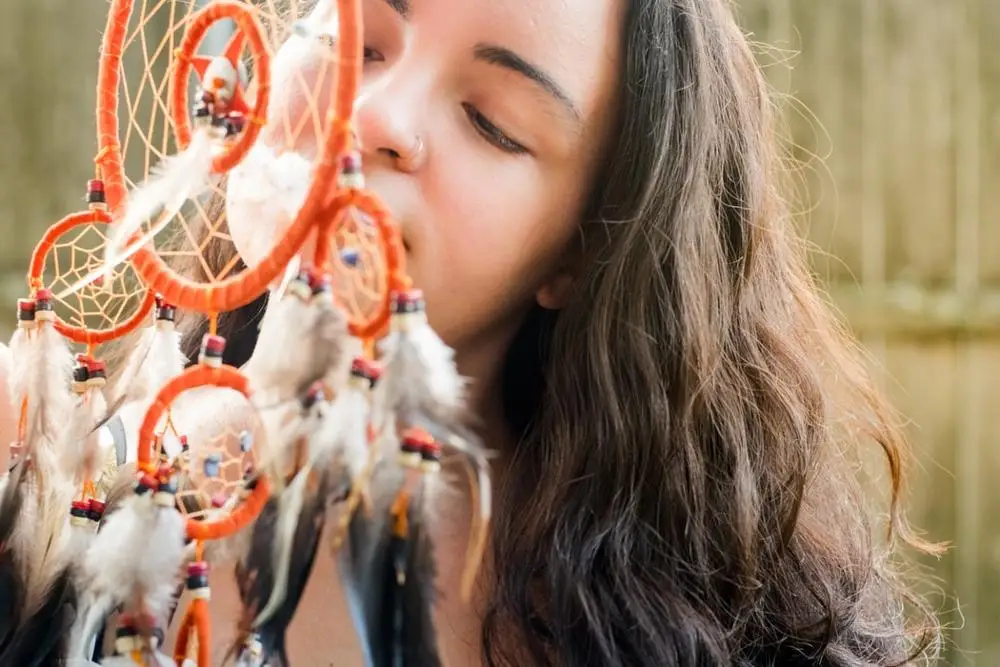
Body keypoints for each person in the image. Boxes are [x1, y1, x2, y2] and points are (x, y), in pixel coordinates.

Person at [0, 0, 942, 664]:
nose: (380, 116)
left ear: (576, 254)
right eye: (366, 41)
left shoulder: (707, 622)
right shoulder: (41, 497)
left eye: (491, 124)